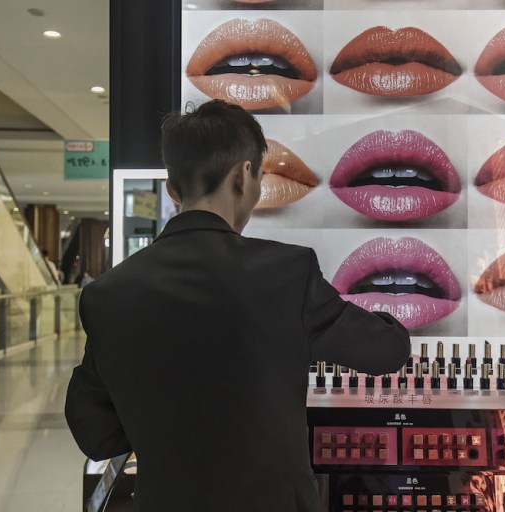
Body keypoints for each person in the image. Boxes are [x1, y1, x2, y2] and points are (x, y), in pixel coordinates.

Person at [64, 100, 410, 511]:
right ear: (243, 176)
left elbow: (95, 432)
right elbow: (389, 351)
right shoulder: (288, 272)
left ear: (173, 188)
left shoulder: (107, 294)